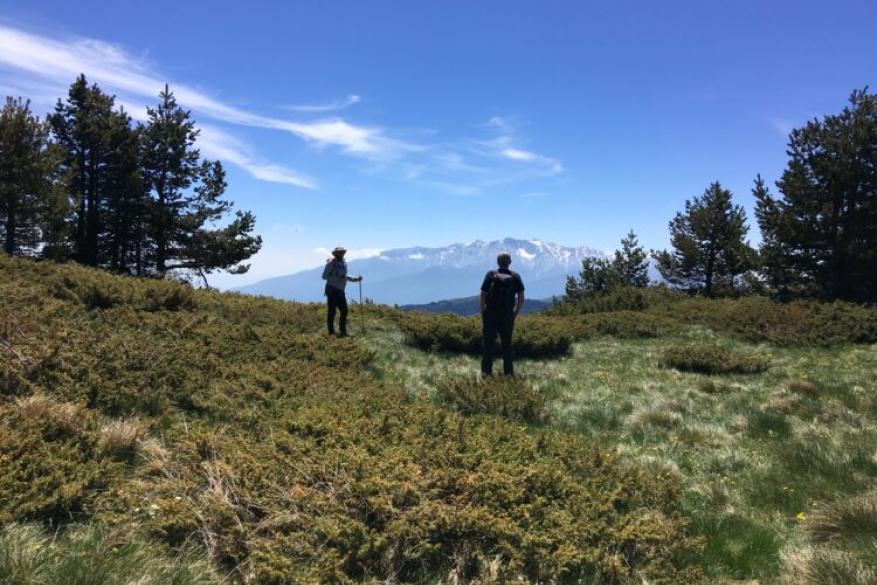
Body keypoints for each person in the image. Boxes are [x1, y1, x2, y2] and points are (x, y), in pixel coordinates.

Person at [479, 251, 525, 376]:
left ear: (497, 262)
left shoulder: (491, 274)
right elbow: (521, 298)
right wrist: (515, 312)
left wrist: (483, 310)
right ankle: (508, 374)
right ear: (509, 262)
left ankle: (486, 374)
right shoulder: (515, 276)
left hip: (490, 314)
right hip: (507, 315)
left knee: (488, 345)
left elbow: (483, 294)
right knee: (507, 346)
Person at [321, 246, 363, 337]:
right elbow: (324, 276)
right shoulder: (331, 263)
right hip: (332, 290)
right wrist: (337, 278)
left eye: (342, 252)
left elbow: (344, 276)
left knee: (344, 310)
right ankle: (332, 332)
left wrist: (355, 279)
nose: (341, 254)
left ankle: (342, 332)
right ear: (336, 254)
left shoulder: (344, 263)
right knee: (332, 311)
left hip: (340, 290)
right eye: (339, 253)